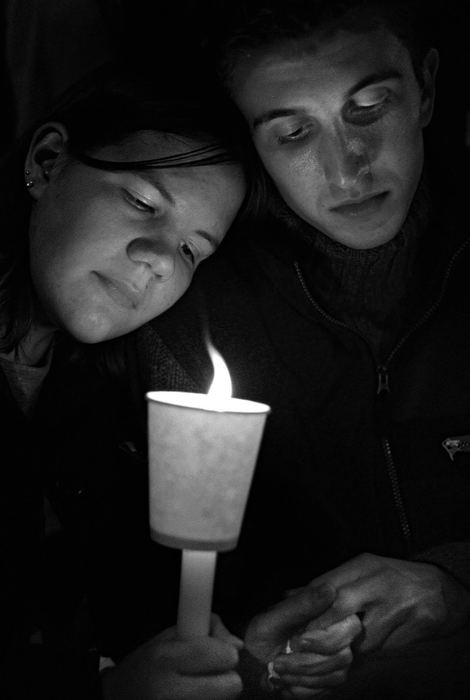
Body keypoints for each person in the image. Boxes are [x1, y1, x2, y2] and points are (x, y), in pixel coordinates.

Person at [128, 0, 470, 697]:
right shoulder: (192, 304)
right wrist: (259, 642)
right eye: (292, 133)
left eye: (370, 108)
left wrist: (458, 580)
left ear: (427, 90)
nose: (347, 170)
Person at [0, 61, 248, 698]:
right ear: (48, 161)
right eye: (143, 202)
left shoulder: (111, 405)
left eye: (195, 249)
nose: (161, 260)